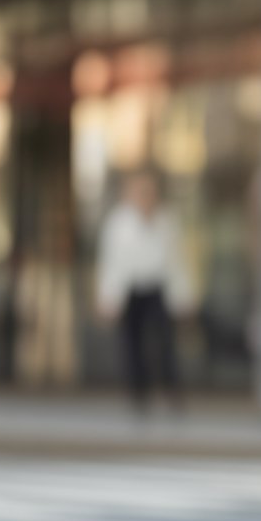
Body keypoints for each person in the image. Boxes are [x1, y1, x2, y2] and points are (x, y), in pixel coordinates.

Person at [96, 170, 193, 411]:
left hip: (158, 288)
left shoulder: (167, 221)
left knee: (165, 343)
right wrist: (108, 297)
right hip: (131, 290)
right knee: (133, 344)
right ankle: (138, 394)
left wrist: (183, 297)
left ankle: (171, 390)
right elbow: (112, 263)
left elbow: (176, 262)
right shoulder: (118, 224)